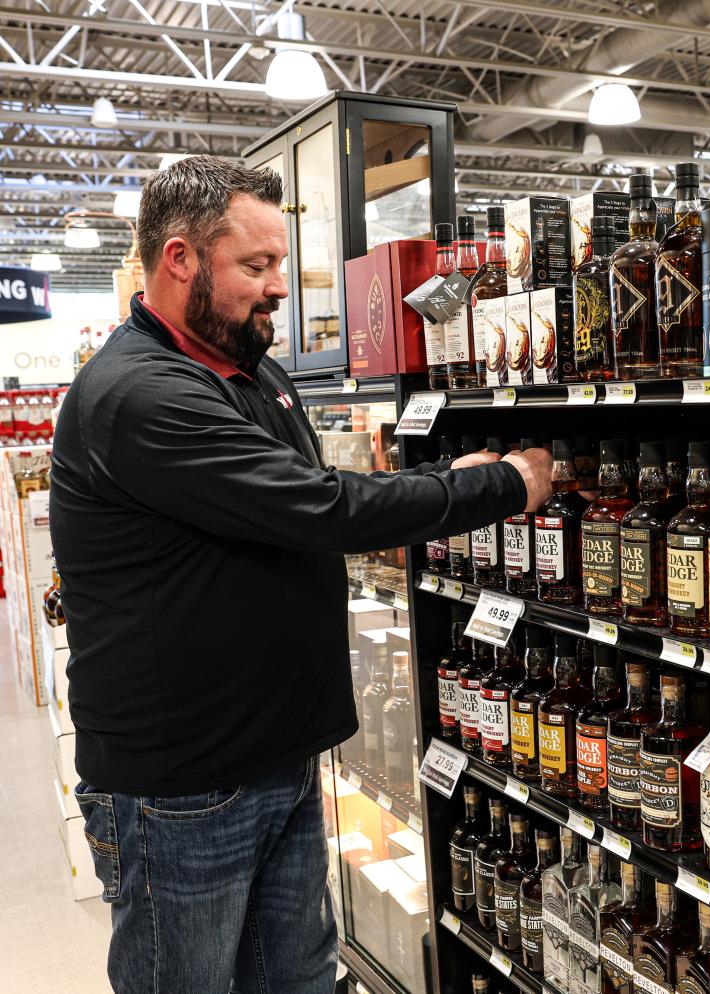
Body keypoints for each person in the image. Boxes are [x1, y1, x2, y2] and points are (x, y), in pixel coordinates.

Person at [48, 156, 553, 994]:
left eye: (280, 262)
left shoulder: (252, 372)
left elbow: (323, 493)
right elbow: (323, 510)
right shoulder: (138, 394)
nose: (280, 287)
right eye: (256, 266)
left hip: (278, 761)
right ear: (179, 261)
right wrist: (498, 483)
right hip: (181, 794)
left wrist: (435, 477)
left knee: (300, 981)